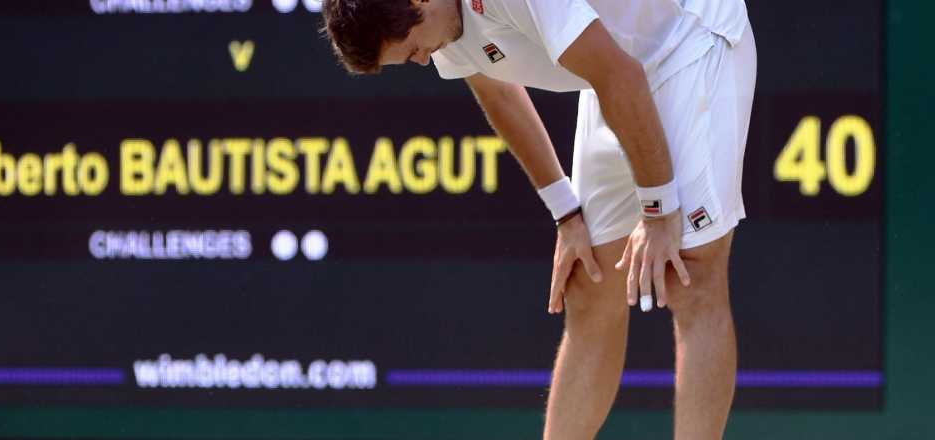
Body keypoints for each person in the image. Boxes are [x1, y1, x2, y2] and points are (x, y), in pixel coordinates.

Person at [322, 0, 756, 438]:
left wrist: (659, 211)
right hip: (611, 70)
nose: (421, 60)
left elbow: (621, 76)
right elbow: (499, 91)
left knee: (694, 277)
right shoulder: (441, 27)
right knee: (588, 283)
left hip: (689, 40)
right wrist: (566, 212)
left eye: (412, 50)